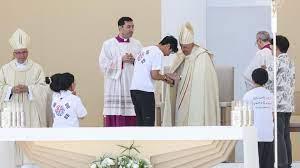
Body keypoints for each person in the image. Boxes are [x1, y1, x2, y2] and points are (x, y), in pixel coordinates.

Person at [162, 22, 220, 126]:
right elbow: (175, 74)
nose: (183, 50)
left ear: (192, 45)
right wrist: (172, 79)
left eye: (186, 47)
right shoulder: (180, 55)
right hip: (181, 97)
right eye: (182, 46)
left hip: (196, 98)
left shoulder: (202, 56)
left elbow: (206, 82)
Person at [99, 16, 142, 127]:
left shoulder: (137, 44)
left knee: (132, 112)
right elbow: (103, 65)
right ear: (120, 28)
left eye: (133, 27)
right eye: (128, 27)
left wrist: (134, 60)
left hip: (131, 83)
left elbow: (144, 62)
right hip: (115, 86)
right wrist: (120, 60)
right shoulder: (108, 44)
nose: (131, 29)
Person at [0, 28, 48, 127]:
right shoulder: (5, 69)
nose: (22, 55)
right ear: (14, 53)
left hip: (31, 110)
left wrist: (29, 89)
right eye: (18, 52)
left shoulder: (36, 68)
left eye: (24, 52)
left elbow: (44, 88)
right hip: (11, 109)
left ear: (28, 51)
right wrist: (10, 90)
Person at [130, 35, 178, 126]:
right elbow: (154, 75)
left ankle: (140, 140)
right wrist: (166, 79)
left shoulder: (145, 49)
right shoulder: (158, 53)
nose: (167, 55)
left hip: (134, 90)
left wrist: (163, 76)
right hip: (145, 92)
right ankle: (147, 140)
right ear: (167, 46)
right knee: (148, 124)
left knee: (140, 123)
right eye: (170, 52)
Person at [266, 35, 295, 168]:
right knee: (285, 135)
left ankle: (282, 164)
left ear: (276, 47)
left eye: (271, 46)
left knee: (278, 135)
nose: (270, 48)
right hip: (288, 104)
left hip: (277, 104)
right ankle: (288, 162)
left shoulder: (275, 61)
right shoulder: (290, 62)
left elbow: (268, 81)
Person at [243, 68, 274, 168]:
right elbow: (273, 115)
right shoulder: (271, 95)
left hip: (254, 135)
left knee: (255, 164)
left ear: (253, 80)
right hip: (269, 135)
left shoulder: (248, 96)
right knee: (268, 164)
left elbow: (246, 117)